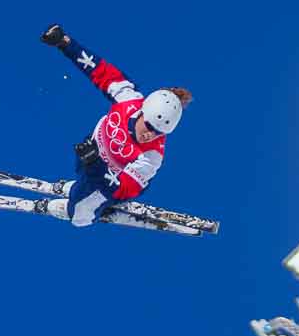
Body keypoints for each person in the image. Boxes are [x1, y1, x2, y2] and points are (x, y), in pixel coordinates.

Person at [40, 24, 192, 227]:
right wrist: (65, 43)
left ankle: (65, 207)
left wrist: (96, 168)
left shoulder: (152, 156)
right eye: (149, 126)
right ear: (142, 112)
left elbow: (122, 188)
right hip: (89, 155)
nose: (150, 135)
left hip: (108, 183)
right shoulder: (128, 98)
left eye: (159, 132)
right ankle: (79, 186)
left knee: (79, 215)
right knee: (83, 168)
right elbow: (97, 70)